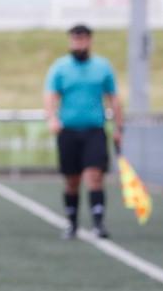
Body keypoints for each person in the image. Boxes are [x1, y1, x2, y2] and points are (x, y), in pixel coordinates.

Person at [44, 24, 123, 240]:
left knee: (94, 176)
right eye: (75, 39)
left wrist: (118, 127)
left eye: (82, 39)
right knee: (72, 180)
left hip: (94, 131)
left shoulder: (102, 67)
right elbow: (50, 95)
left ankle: (98, 223)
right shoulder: (60, 67)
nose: (78, 43)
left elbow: (113, 98)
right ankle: (72, 223)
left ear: (89, 41)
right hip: (68, 131)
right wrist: (52, 118)